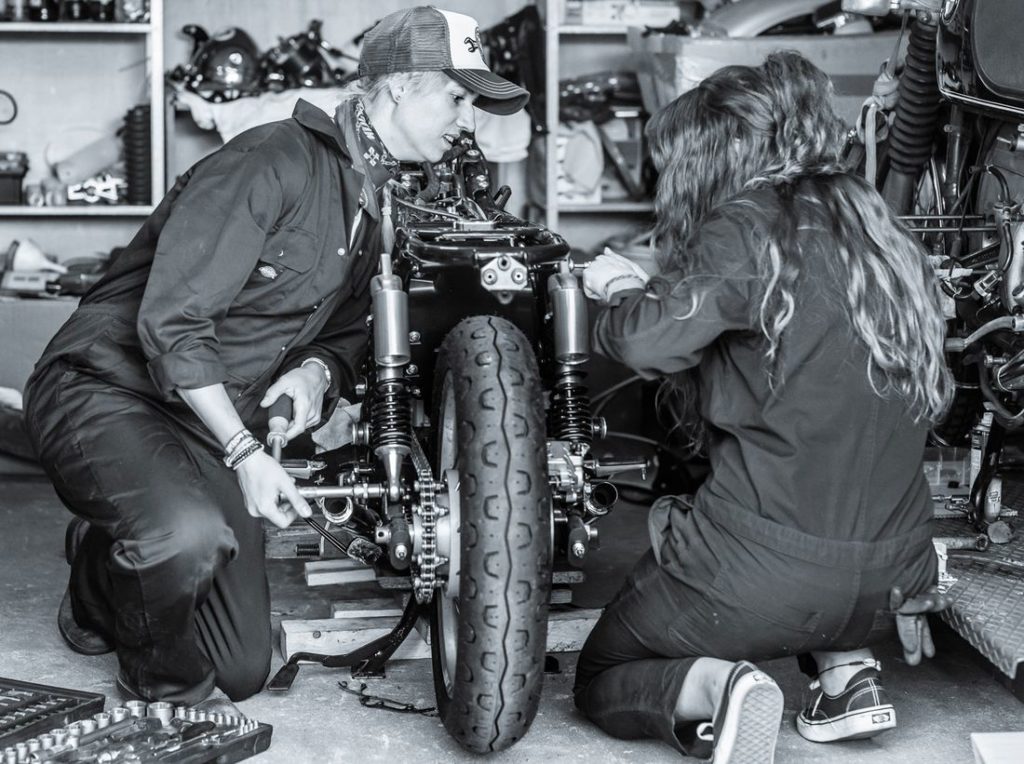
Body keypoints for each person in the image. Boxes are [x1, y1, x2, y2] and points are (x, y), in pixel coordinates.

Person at [23, 6, 528, 707]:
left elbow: (345, 333)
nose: (468, 121)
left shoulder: (377, 202)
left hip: (203, 417)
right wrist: (244, 451)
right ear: (400, 87)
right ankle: (162, 691)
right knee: (185, 539)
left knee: (240, 669)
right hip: (107, 388)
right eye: (457, 98)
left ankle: (112, 554)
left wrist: (315, 372)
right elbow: (172, 323)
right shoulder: (269, 161)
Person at [574, 51, 951, 762]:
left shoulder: (749, 226)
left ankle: (723, 686)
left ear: (714, 157)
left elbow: (644, 341)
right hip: (896, 576)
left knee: (603, 673)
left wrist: (621, 287)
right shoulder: (880, 230)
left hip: (762, 576)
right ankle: (848, 679)